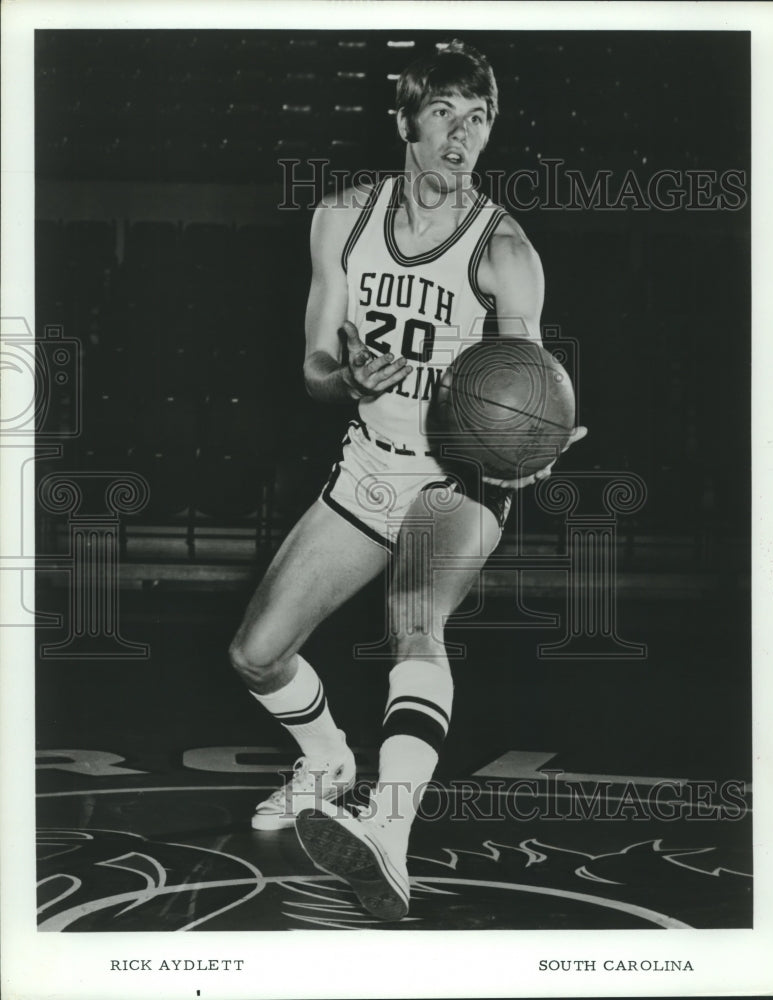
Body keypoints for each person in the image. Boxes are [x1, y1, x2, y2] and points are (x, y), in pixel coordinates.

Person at [229, 39, 585, 921]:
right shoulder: (340, 219)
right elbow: (313, 364)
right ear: (404, 121)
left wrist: (534, 444)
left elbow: (528, 378)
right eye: (443, 115)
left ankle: (388, 830)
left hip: (456, 479)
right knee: (254, 654)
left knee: (413, 622)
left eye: (479, 118)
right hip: (368, 465)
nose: (462, 136)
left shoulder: (504, 249)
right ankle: (326, 763)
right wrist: (346, 380)